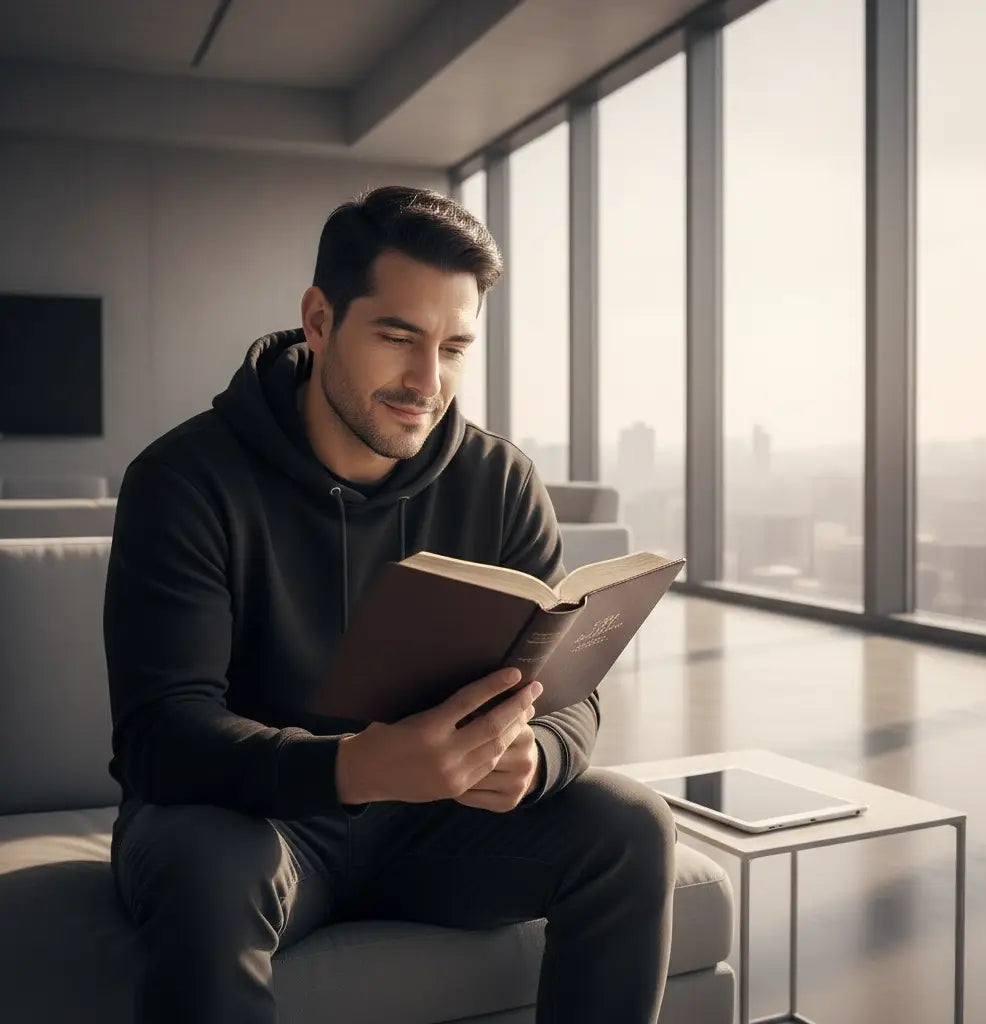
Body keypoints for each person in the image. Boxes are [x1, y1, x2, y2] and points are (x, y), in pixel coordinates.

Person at [104, 185, 678, 1023]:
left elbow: (568, 696)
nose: (426, 381)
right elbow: (160, 736)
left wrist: (537, 758)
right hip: (251, 823)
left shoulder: (499, 480)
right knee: (208, 871)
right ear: (319, 319)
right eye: (399, 337)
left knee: (630, 826)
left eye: (454, 347)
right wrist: (356, 767)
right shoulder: (185, 480)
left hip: (433, 827)